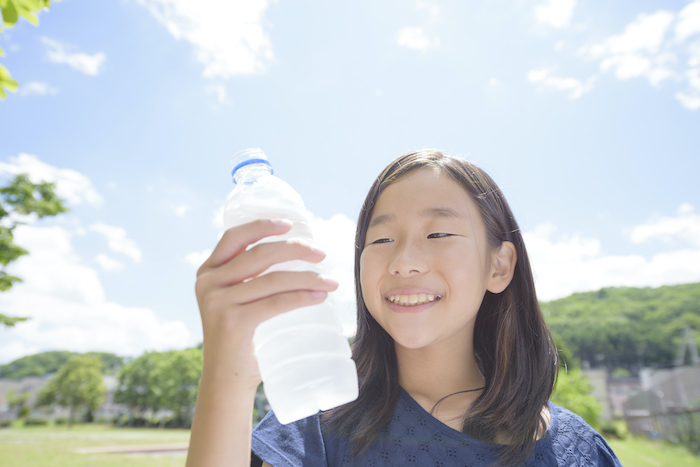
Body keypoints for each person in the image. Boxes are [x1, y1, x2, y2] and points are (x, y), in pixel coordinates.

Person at [187, 150, 622, 466]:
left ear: (500, 265)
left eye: (438, 235)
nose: (403, 262)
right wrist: (227, 381)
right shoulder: (316, 432)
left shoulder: (579, 450)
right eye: (381, 240)